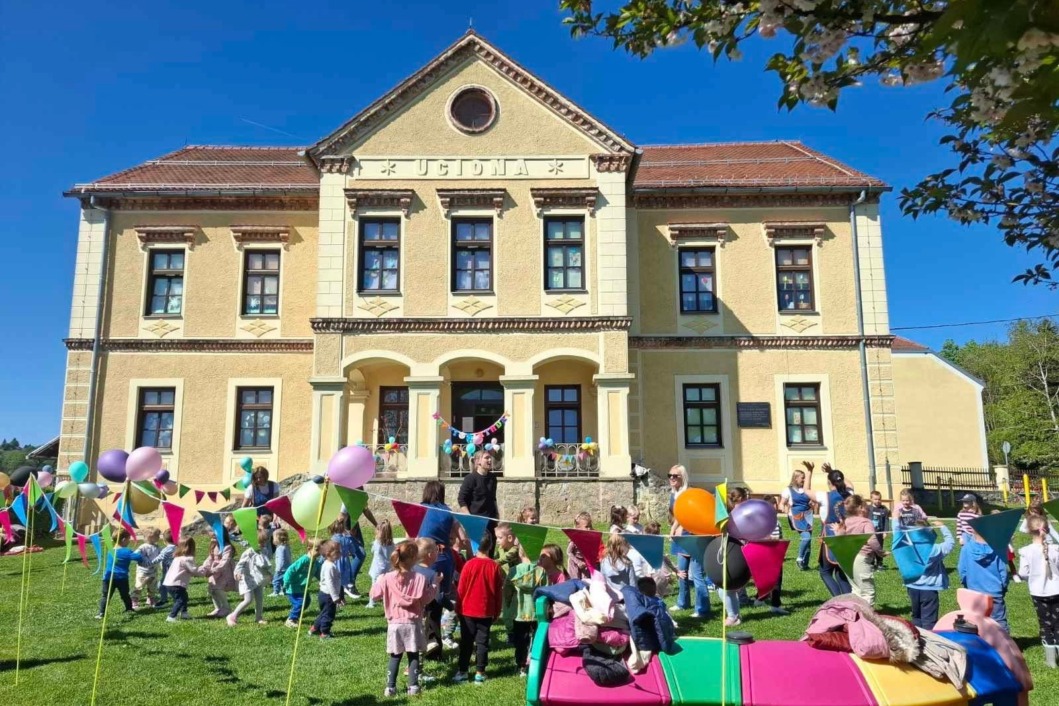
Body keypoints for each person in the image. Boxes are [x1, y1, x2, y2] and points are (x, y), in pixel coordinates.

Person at [372, 541, 438, 696]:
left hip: (394, 624)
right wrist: (434, 586)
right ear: (415, 558)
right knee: (413, 654)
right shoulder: (420, 578)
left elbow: (374, 595)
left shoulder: (386, 578)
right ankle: (413, 686)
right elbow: (425, 599)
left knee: (395, 655)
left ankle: (390, 687)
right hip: (413, 623)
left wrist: (378, 581)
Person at [454, 530, 504, 685]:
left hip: (467, 611)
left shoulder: (468, 564)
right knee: (482, 643)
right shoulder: (495, 567)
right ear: (491, 546)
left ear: (475, 545)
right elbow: (498, 592)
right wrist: (497, 611)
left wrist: (457, 608)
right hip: (486, 611)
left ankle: (463, 672)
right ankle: (480, 673)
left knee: (466, 641)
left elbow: (460, 589)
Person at [668, 465, 711, 618]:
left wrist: (676, 528)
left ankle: (702, 609)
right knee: (682, 573)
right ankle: (683, 602)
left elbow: (688, 514)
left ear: (683, 477)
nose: (672, 478)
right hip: (680, 538)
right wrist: (674, 528)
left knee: (697, 575)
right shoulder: (673, 494)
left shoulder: (689, 493)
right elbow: (676, 515)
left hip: (693, 538)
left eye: (675, 475)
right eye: (670, 475)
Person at [1019, 515, 1059, 668]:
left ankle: (1051, 661)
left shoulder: (1026, 551)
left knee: (1045, 624)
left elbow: (1023, 573)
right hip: (1056, 590)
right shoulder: (1055, 549)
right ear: (1046, 529)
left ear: (1029, 531)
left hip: (1038, 593)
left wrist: (1028, 577)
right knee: (1058, 622)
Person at [505, 544, 548, 677]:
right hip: (536, 611)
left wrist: (508, 602)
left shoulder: (513, 571)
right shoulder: (541, 571)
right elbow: (545, 590)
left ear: (520, 554)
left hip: (519, 612)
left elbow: (507, 590)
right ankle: (535, 663)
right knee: (536, 639)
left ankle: (521, 666)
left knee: (520, 641)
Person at [834, 495, 885, 607]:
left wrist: (837, 530)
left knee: (856, 590)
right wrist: (880, 552)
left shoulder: (846, 521)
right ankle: (866, 616)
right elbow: (872, 540)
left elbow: (839, 537)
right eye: (866, 506)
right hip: (860, 558)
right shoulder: (866, 522)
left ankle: (855, 614)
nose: (869, 509)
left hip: (846, 558)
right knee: (868, 592)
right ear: (861, 508)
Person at [905, 521, 954, 629]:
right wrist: (942, 526)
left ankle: (916, 634)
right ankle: (928, 637)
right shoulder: (935, 549)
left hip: (912, 587)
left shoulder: (907, 549)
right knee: (929, 619)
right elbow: (950, 543)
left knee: (916, 616)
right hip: (929, 589)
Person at [958, 527, 1010, 633]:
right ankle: (1003, 642)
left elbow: (962, 570)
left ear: (973, 532)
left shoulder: (966, 549)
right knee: (999, 621)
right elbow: (1003, 572)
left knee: (975, 620)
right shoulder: (998, 549)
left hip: (975, 592)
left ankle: (979, 641)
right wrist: (1003, 587)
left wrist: (966, 584)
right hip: (994, 592)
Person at [752, 496, 790, 616]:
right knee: (775, 579)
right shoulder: (764, 521)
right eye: (774, 504)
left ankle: (759, 599)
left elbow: (779, 537)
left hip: (775, 552)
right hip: (769, 553)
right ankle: (775, 605)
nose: (776, 507)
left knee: (769, 579)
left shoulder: (775, 521)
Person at [819, 468, 854, 597]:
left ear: (829, 482)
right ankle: (848, 599)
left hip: (832, 534)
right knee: (841, 571)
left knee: (825, 571)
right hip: (847, 533)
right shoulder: (850, 494)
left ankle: (838, 598)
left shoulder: (825, 496)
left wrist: (809, 472)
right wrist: (832, 471)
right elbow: (850, 485)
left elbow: (806, 491)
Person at [228, 529, 273, 626]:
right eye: (260, 542)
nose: (263, 544)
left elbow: (264, 564)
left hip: (258, 578)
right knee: (248, 600)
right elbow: (241, 564)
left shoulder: (264, 551)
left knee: (259, 599)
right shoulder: (249, 552)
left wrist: (269, 573)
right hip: (247, 579)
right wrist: (238, 572)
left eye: (265, 542)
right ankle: (232, 616)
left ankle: (259, 617)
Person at [96, 529, 143, 619]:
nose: (129, 541)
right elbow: (138, 557)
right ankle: (129, 608)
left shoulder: (110, 551)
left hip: (108, 578)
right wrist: (140, 551)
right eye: (129, 539)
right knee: (125, 595)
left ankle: (101, 613)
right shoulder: (126, 551)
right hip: (121, 578)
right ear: (124, 540)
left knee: (106, 596)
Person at [162, 537, 210, 622]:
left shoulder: (177, 558)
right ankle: (171, 617)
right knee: (180, 600)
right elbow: (194, 571)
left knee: (184, 597)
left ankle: (184, 613)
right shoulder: (187, 559)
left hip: (169, 583)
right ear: (191, 548)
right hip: (177, 584)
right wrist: (204, 570)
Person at [780, 461, 817, 570]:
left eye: (805, 478)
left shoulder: (805, 489)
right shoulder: (788, 490)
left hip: (808, 515)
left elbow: (809, 490)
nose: (804, 480)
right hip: (797, 516)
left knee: (809, 541)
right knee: (806, 537)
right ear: (795, 478)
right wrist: (783, 508)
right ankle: (800, 559)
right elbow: (782, 503)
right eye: (802, 478)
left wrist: (810, 471)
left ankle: (804, 565)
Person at [282, 539, 322, 627]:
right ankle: (291, 619)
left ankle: (295, 613)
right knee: (300, 602)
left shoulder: (315, 562)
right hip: (293, 587)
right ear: (309, 549)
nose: (319, 552)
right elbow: (290, 570)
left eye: (321, 550)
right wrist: (286, 582)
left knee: (306, 601)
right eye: (317, 550)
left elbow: (318, 572)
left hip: (303, 587)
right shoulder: (303, 560)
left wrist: (322, 580)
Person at [309, 540, 344, 639]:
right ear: (328, 554)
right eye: (337, 552)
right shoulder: (330, 567)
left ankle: (314, 628)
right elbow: (330, 583)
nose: (340, 553)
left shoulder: (327, 563)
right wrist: (335, 597)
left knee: (324, 612)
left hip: (324, 594)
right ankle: (325, 633)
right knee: (329, 614)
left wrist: (340, 594)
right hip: (328, 595)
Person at [203, 529, 237, 619]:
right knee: (212, 589)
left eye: (214, 537)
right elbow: (210, 558)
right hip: (215, 572)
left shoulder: (227, 547)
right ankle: (217, 608)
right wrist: (204, 567)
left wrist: (213, 570)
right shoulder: (214, 546)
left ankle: (226, 608)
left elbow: (224, 562)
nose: (212, 539)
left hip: (225, 572)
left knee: (218, 589)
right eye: (211, 537)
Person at [458, 451, 499, 521]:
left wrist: (497, 514)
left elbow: (493, 498)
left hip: (491, 520)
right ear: (478, 461)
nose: (490, 460)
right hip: (476, 520)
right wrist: (469, 517)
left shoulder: (492, 478)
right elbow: (461, 500)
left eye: (490, 458)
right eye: (486, 458)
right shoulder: (470, 478)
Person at [365, 519, 396, 609]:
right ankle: (387, 601)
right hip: (388, 568)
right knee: (387, 585)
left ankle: (371, 602)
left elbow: (372, 551)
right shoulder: (392, 544)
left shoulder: (377, 543)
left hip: (378, 568)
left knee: (374, 585)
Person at [132, 527, 162, 610]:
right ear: (151, 537)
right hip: (142, 572)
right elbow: (135, 555)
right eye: (157, 536)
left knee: (152, 587)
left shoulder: (157, 547)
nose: (159, 537)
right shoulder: (143, 547)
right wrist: (139, 558)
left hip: (153, 571)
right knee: (139, 586)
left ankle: (150, 599)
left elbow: (161, 556)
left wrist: (161, 565)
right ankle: (134, 600)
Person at [329, 516, 357, 599]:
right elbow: (353, 550)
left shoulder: (333, 539)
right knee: (343, 579)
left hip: (336, 561)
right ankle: (343, 596)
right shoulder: (347, 539)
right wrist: (349, 553)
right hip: (345, 561)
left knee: (336, 579)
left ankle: (337, 597)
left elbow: (329, 550)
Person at [153, 529, 177, 608]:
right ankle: (178, 599)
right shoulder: (177, 548)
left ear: (164, 541)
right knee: (173, 586)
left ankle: (166, 600)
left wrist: (149, 562)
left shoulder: (166, 550)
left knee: (163, 586)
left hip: (168, 572)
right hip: (175, 571)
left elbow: (159, 558)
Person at [566, 512, 593, 581]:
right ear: (578, 527)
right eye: (586, 527)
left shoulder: (590, 538)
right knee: (575, 581)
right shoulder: (575, 538)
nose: (589, 529)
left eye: (590, 526)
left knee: (586, 581)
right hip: (574, 563)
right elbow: (569, 552)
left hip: (584, 563)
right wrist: (578, 562)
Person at [868, 490, 889, 567]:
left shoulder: (884, 509)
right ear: (871, 499)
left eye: (879, 499)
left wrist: (885, 532)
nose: (877, 501)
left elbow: (886, 521)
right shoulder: (868, 509)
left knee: (879, 548)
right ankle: (871, 563)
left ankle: (880, 563)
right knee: (871, 548)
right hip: (870, 533)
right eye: (875, 499)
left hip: (879, 533)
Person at [270, 529, 292, 597]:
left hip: (281, 568)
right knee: (283, 580)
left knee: (275, 580)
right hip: (287, 567)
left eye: (274, 537)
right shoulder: (286, 546)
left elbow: (281, 559)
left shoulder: (280, 548)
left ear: (277, 538)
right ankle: (283, 591)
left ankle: (276, 592)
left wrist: (278, 568)